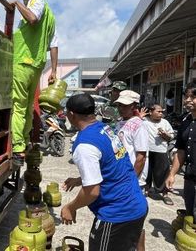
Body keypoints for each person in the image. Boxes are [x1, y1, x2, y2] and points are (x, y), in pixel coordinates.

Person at [61, 93, 147, 251]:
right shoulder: (105, 129)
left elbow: (92, 192)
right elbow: (110, 166)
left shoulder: (84, 145)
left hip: (117, 215)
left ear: (71, 114)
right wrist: (80, 179)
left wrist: (70, 207)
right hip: (137, 205)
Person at [10, 0, 58, 166]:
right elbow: (54, 45)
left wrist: (17, 3)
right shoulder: (51, 18)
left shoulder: (36, 1)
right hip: (36, 65)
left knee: (18, 106)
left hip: (23, 61)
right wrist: (53, 70)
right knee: (28, 105)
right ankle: (25, 142)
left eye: (25, 1)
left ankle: (17, 148)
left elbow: (32, 18)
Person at [166, 82, 196, 218]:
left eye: (193, 97)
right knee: (190, 211)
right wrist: (172, 174)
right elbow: (181, 151)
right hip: (189, 176)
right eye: (186, 96)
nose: (188, 100)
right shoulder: (186, 121)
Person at [114, 90, 149, 191]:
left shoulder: (139, 125)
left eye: (125, 105)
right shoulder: (119, 123)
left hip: (132, 180)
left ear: (133, 106)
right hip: (120, 177)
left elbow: (141, 157)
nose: (121, 108)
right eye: (119, 105)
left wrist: (131, 180)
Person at [144, 104, 174, 205]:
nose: (161, 113)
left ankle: (165, 193)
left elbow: (171, 137)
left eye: (162, 112)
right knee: (146, 172)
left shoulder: (165, 122)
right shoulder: (144, 121)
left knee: (163, 173)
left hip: (161, 150)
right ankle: (146, 191)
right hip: (147, 150)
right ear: (151, 112)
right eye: (158, 111)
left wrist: (166, 135)